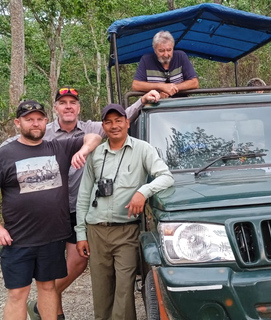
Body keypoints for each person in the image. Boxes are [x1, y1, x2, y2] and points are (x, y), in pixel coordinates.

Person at [3, 87, 162, 320]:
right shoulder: (39, 135)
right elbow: (11, 150)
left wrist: (142, 100)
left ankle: (44, 308)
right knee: (19, 291)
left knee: (69, 268)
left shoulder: (87, 131)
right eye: (63, 103)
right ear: (55, 109)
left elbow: (119, 119)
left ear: (78, 107)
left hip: (74, 211)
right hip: (32, 224)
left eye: (72, 103)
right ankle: (54, 312)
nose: (68, 106)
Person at [0, 100, 102, 320]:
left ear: (46, 121)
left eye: (39, 119)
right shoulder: (5, 154)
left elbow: (94, 137)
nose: (35, 124)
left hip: (52, 237)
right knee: (18, 293)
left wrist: (82, 151)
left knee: (48, 288)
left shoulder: (60, 147)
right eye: (29, 120)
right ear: (18, 123)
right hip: (19, 239)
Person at [75, 103, 174, 320]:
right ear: (103, 126)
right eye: (108, 122)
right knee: (101, 291)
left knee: (124, 289)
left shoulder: (142, 149)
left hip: (126, 231)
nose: (114, 126)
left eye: (118, 120)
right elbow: (84, 194)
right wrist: (81, 234)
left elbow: (166, 176)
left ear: (127, 123)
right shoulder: (96, 153)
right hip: (96, 230)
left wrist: (143, 192)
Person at [132, 30, 199, 98]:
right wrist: (161, 86)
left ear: (173, 48)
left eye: (169, 50)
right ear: (155, 50)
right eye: (161, 51)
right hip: (155, 104)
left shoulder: (181, 56)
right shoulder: (146, 60)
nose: (166, 54)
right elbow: (136, 85)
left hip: (181, 104)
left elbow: (194, 83)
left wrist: (173, 88)